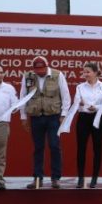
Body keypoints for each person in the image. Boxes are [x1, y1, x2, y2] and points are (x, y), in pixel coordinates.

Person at [20, 56, 71, 189]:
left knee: (54, 146)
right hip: (36, 117)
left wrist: (64, 115)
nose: (39, 72)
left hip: (53, 117)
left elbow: (66, 96)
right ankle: (37, 178)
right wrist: (23, 116)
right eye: (37, 69)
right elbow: (23, 96)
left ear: (47, 66)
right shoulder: (28, 76)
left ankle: (56, 178)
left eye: (42, 69)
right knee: (38, 148)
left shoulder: (57, 75)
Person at [72, 62, 102, 188]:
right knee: (81, 148)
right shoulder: (80, 87)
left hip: (98, 117)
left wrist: (97, 107)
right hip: (83, 118)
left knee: (97, 148)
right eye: (84, 72)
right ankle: (80, 178)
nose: (85, 74)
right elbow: (77, 103)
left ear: (95, 72)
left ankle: (94, 178)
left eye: (88, 72)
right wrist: (81, 104)